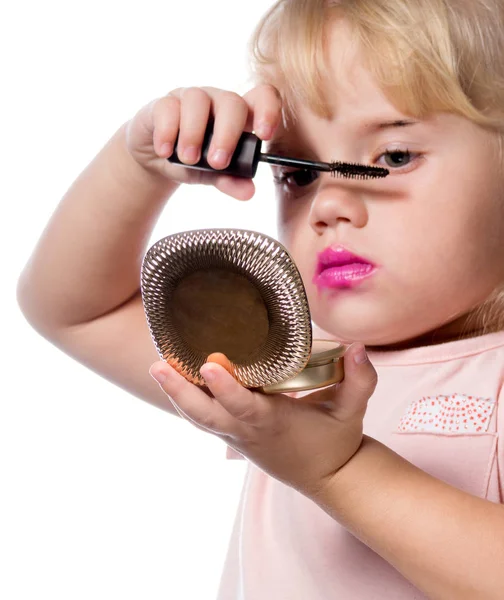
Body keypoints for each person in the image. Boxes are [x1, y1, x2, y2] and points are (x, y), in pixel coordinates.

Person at [16, 0, 504, 597]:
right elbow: (73, 310)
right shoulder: (288, 371)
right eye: (299, 174)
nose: (328, 205)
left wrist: (340, 471)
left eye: (394, 156)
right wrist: (138, 163)